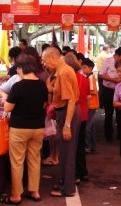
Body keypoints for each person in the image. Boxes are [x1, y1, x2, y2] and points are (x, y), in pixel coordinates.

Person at [1, 55, 48, 205]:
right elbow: (44, 105)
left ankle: (16, 195)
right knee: (34, 160)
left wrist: (4, 98)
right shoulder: (42, 85)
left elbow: (8, 107)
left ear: (21, 68)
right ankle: (34, 191)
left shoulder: (18, 86)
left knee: (17, 162)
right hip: (38, 128)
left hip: (19, 128)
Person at [42, 47, 81, 198]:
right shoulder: (60, 71)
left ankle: (67, 188)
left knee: (66, 153)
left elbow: (71, 100)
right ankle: (65, 182)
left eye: (45, 61)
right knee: (66, 151)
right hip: (65, 112)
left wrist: (67, 125)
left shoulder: (64, 72)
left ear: (53, 57)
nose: (44, 64)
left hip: (67, 113)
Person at [64, 53, 89, 184]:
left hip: (72, 114)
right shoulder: (84, 79)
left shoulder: (67, 78)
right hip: (83, 114)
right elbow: (87, 97)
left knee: (71, 147)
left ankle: (75, 174)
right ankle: (83, 172)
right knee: (80, 145)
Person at [99, 46, 121, 142]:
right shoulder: (107, 61)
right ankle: (108, 134)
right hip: (109, 89)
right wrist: (113, 80)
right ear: (117, 55)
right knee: (109, 112)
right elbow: (101, 74)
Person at [81, 58, 99, 153]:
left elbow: (93, 91)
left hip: (91, 104)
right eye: (82, 68)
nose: (83, 70)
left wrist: (85, 92)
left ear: (90, 68)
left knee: (87, 126)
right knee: (91, 126)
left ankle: (87, 146)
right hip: (93, 104)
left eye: (85, 67)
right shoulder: (90, 77)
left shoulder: (90, 78)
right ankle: (92, 145)